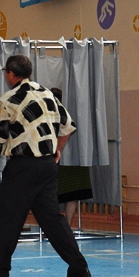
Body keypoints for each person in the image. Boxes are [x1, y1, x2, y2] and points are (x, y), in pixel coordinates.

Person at [0, 55, 91, 277]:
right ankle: (78, 266)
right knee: (52, 219)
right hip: (47, 166)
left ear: (10, 74)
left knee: (7, 217)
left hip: (22, 166)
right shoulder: (48, 94)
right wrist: (57, 150)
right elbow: (67, 126)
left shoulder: (9, 99)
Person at [51, 87, 93, 228]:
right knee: (73, 194)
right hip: (75, 157)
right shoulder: (73, 112)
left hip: (56, 158)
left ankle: (57, 227)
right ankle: (67, 226)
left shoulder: (49, 114)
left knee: (52, 195)